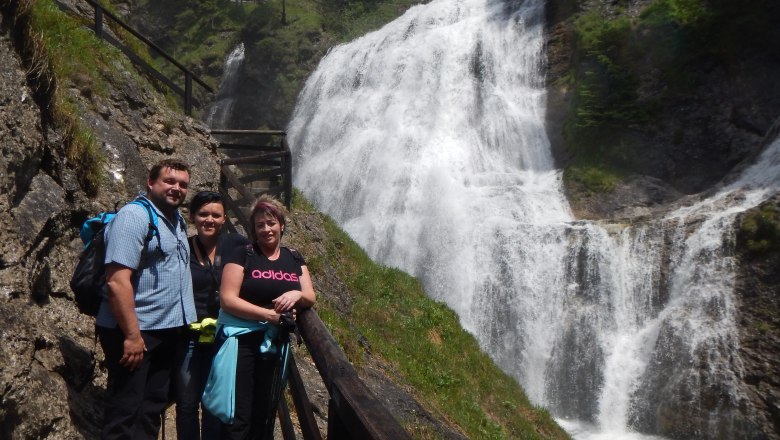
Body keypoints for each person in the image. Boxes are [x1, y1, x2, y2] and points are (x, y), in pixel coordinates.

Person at [95, 159, 196, 440]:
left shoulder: (175, 220)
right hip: (136, 331)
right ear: (150, 183)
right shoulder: (134, 217)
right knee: (125, 409)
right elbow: (117, 281)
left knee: (151, 407)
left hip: (165, 331)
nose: (177, 188)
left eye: (183, 184)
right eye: (169, 181)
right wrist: (131, 335)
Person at [210, 194, 316, 439]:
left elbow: (310, 295)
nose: (266, 229)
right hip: (240, 342)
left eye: (271, 223)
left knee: (264, 412)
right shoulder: (243, 253)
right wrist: (268, 315)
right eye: (260, 225)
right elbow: (228, 299)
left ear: (282, 224)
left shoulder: (293, 257)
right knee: (239, 414)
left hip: (274, 344)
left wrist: (294, 293)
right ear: (253, 228)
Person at [173, 191, 248, 440]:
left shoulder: (236, 245)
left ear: (225, 218)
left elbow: (261, 266)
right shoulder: (183, 247)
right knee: (186, 403)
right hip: (190, 336)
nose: (210, 220)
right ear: (193, 216)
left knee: (215, 402)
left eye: (216, 215)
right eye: (203, 214)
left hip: (224, 335)